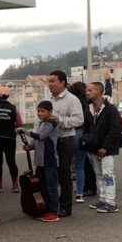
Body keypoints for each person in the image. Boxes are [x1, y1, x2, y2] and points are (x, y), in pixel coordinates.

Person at [81, 81, 122, 213]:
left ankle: (111, 202)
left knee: (108, 174)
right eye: (87, 90)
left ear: (99, 92)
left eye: (90, 90)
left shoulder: (110, 109)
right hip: (93, 148)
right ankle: (103, 198)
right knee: (99, 175)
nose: (87, 93)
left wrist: (105, 147)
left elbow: (114, 130)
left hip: (107, 149)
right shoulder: (87, 109)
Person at [46, 70, 84, 217]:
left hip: (65, 140)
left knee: (64, 174)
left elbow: (79, 120)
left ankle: (65, 206)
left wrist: (60, 120)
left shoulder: (71, 99)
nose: (50, 84)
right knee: (50, 173)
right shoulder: (48, 99)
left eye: (53, 81)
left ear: (62, 82)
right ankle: (51, 204)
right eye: (49, 81)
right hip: (50, 141)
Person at [22, 100, 60, 223]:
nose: (40, 113)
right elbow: (39, 141)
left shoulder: (51, 123)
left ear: (50, 112)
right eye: (38, 111)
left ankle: (54, 212)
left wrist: (25, 131)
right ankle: (45, 210)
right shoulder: (42, 123)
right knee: (42, 187)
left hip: (49, 160)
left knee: (51, 187)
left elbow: (41, 136)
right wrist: (30, 147)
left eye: (43, 111)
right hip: (40, 161)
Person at [68, 81, 97, 202]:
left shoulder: (72, 102)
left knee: (66, 165)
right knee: (82, 164)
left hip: (72, 133)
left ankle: (68, 191)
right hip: (83, 136)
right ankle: (81, 192)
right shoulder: (86, 104)